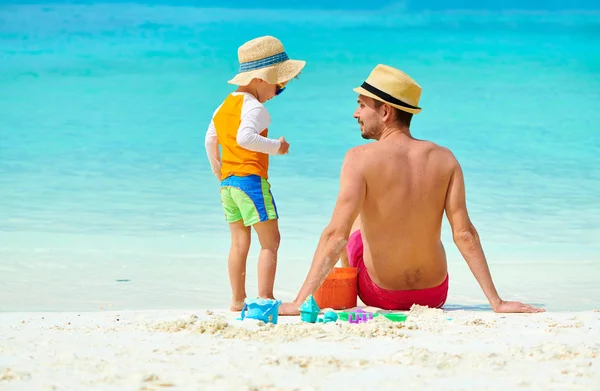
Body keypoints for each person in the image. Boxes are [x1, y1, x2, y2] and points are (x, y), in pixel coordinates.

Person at [279, 64, 544, 315]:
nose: (355, 113)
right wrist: (496, 302)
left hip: (381, 294)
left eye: (361, 105)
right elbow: (465, 234)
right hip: (435, 294)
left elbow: (336, 236)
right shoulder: (446, 158)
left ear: (385, 112)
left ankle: (345, 289)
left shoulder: (358, 158)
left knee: (351, 220)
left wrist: (299, 302)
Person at [204, 36, 305, 311]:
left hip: (228, 185)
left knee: (238, 242)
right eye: (279, 84)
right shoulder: (256, 108)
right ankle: (265, 298)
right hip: (250, 181)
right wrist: (278, 147)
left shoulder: (223, 107)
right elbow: (246, 138)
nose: (279, 90)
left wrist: (219, 171)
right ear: (261, 79)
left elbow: (209, 141)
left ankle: (237, 300)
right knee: (271, 242)